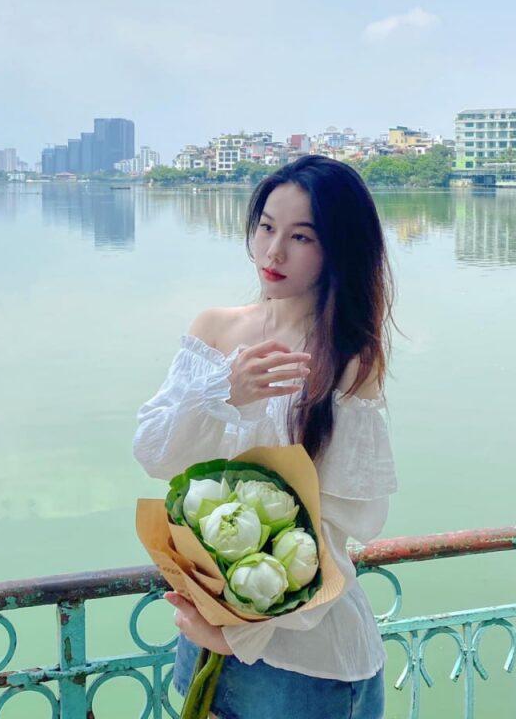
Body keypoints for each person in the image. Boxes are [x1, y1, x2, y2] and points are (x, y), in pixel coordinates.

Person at [133, 155, 398, 719]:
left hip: (304, 663)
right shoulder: (216, 330)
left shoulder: (349, 359)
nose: (273, 252)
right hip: (203, 631)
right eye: (266, 227)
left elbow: (339, 529)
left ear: (337, 249)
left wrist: (241, 634)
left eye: (301, 236)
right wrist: (222, 392)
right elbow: (154, 453)